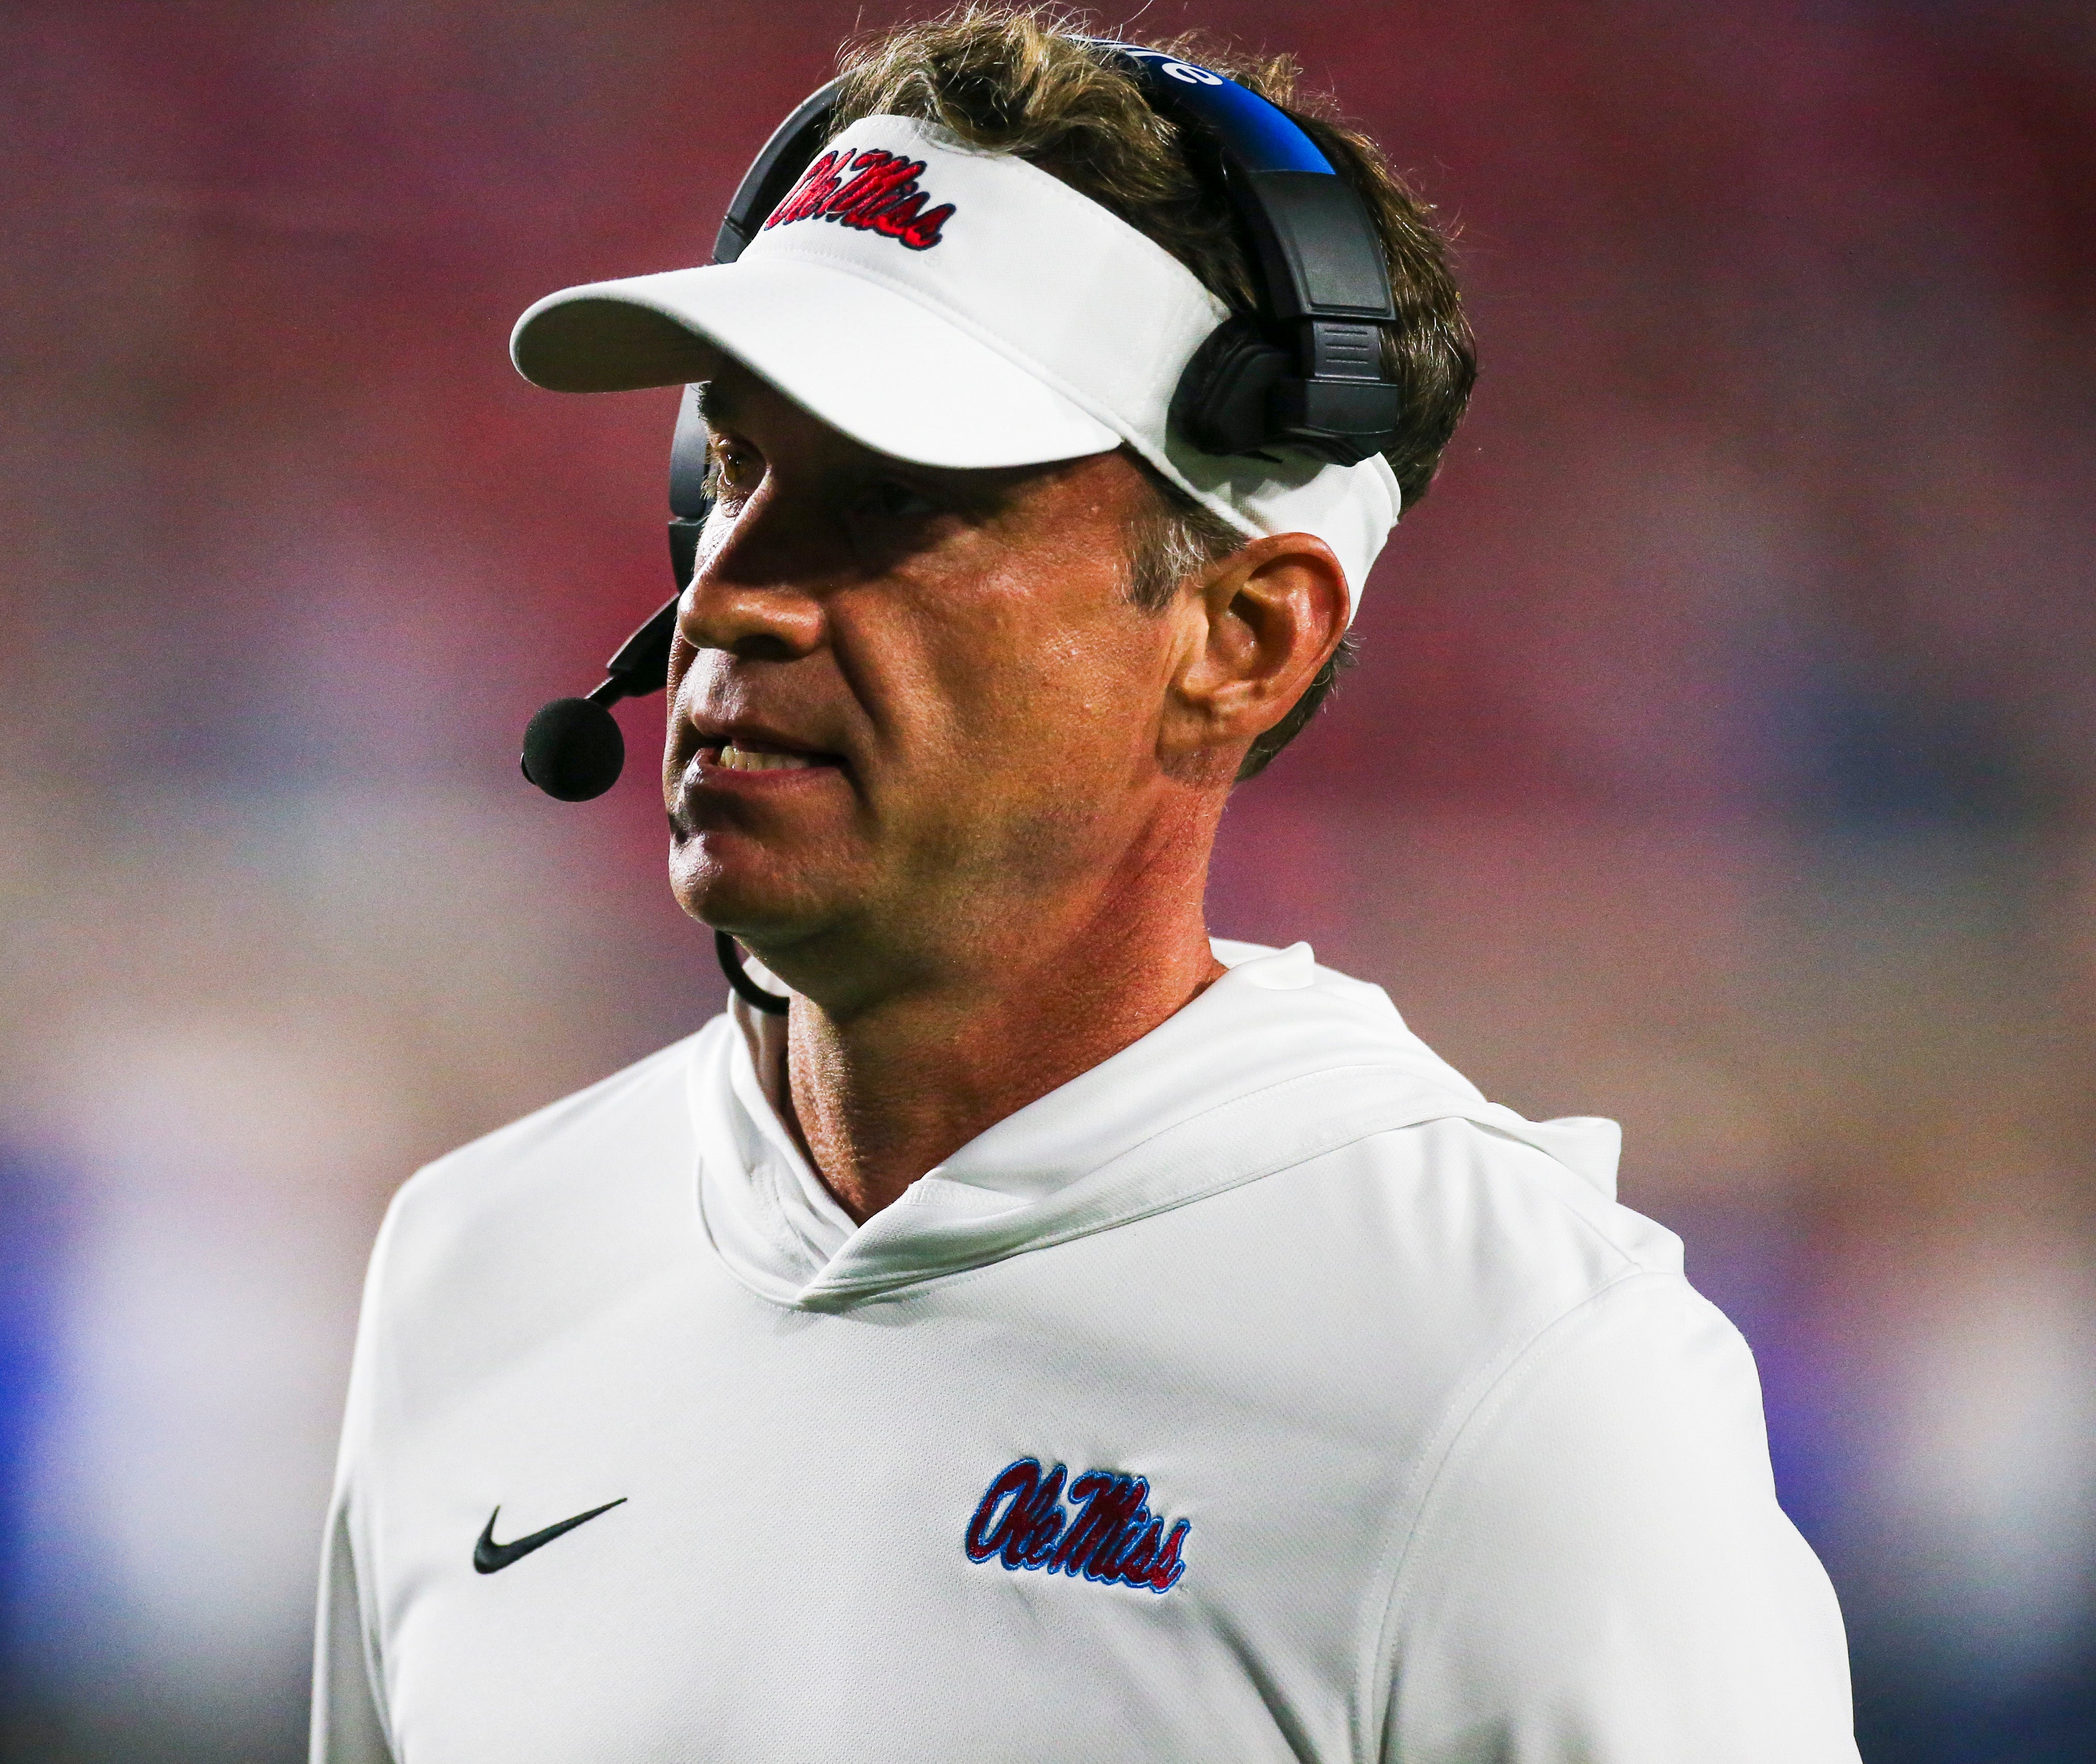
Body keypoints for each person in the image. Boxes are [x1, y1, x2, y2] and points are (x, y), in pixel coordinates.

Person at [312, 12, 1858, 1761]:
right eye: (736, 468)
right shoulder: (474, 1266)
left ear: (1242, 637)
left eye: (897, 497)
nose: (732, 594)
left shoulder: (1517, 1388)